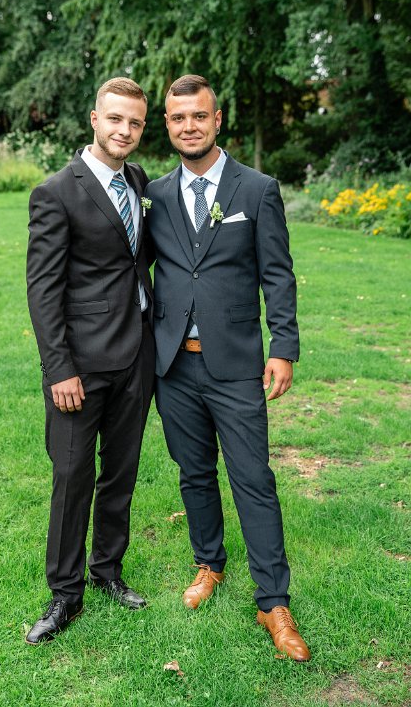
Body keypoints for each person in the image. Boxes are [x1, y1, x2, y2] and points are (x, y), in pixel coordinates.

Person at [145, 75, 310, 661]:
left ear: (217, 120)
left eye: (199, 116)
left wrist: (283, 346)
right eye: (178, 118)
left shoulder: (257, 189)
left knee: (253, 480)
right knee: (194, 474)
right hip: (173, 366)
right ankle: (209, 563)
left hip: (237, 364)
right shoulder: (155, 195)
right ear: (168, 125)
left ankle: (273, 602)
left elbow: (278, 274)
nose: (188, 126)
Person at [25, 77, 155, 645]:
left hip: (137, 356)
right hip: (79, 365)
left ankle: (108, 570)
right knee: (72, 477)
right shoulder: (56, 192)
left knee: (121, 472)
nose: (124, 130)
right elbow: (42, 289)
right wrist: (59, 368)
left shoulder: (138, 181)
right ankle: (64, 592)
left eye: (135, 122)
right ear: (95, 119)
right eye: (115, 119)